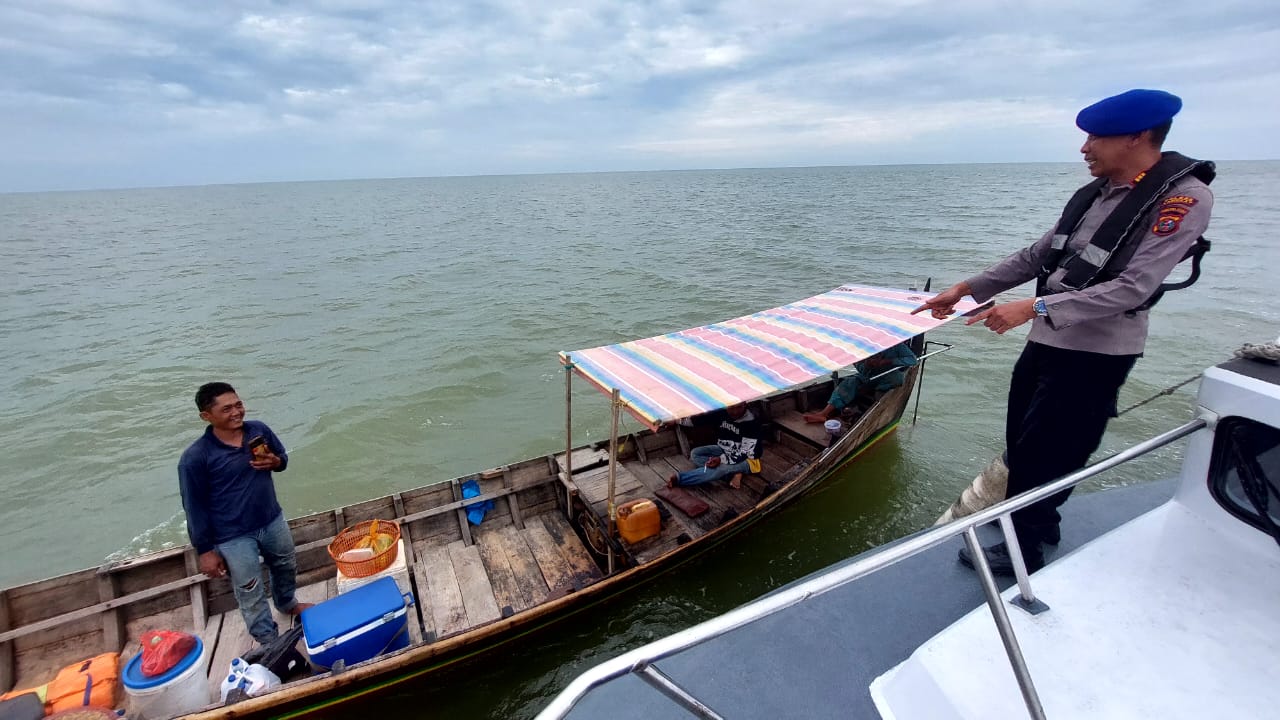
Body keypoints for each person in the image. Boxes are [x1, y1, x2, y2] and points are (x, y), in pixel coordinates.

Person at [912, 88, 1214, 575]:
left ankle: (1026, 548)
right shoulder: (1097, 194)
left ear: (1137, 137)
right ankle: (1035, 523)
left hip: (1097, 353)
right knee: (1022, 443)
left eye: (1096, 137)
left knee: (1055, 450)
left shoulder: (1183, 199)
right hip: (1047, 341)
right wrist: (965, 289)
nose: (1084, 148)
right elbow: (1037, 255)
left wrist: (1033, 307)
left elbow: (1134, 288)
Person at [178, 382, 312, 645]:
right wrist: (205, 551)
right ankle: (268, 638)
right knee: (249, 589)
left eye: (238, 404)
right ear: (206, 416)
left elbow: (282, 459)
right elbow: (194, 506)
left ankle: (287, 603)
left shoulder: (258, 430)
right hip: (232, 536)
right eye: (226, 409)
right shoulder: (195, 457)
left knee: (285, 565)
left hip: (271, 519)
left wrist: (276, 462)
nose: (236, 412)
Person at [803, 342, 919, 423]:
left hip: (886, 376)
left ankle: (878, 396)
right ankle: (823, 414)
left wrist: (887, 361)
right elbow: (858, 367)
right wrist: (867, 364)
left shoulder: (896, 346)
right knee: (848, 383)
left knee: (897, 378)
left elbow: (912, 360)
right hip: (867, 376)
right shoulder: (861, 347)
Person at [666, 403, 765, 490]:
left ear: (745, 404)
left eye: (739, 407)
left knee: (720, 468)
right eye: (731, 408)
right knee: (695, 454)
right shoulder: (721, 412)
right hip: (725, 450)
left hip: (748, 459)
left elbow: (745, 452)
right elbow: (698, 421)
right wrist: (677, 421)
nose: (735, 412)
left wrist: (721, 460)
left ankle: (680, 479)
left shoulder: (752, 422)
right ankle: (733, 473)